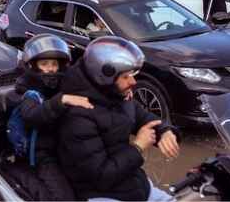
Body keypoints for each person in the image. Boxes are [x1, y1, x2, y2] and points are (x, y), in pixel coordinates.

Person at [58, 36, 180, 201]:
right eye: (126, 76)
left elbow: (143, 117)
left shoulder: (113, 95)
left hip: (134, 183)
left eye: (133, 74)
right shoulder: (77, 117)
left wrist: (165, 131)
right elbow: (101, 176)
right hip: (100, 193)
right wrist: (138, 147)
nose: (133, 82)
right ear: (103, 77)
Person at [6, 35, 93, 201]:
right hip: (42, 155)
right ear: (32, 65)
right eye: (44, 64)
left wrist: (117, 91)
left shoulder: (62, 86)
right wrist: (61, 101)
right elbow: (32, 115)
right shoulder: (30, 93)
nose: (51, 68)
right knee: (63, 197)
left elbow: (87, 86)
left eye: (54, 64)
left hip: (65, 148)